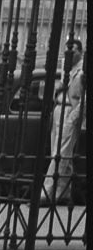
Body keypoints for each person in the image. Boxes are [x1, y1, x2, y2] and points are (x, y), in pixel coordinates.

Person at [43, 39, 85, 205]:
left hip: (69, 111)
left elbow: (84, 97)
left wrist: (74, 116)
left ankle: (46, 191)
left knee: (59, 154)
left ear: (80, 52)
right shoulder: (66, 67)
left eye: (74, 50)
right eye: (67, 50)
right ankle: (64, 192)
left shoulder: (82, 71)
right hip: (58, 110)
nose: (70, 53)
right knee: (60, 151)